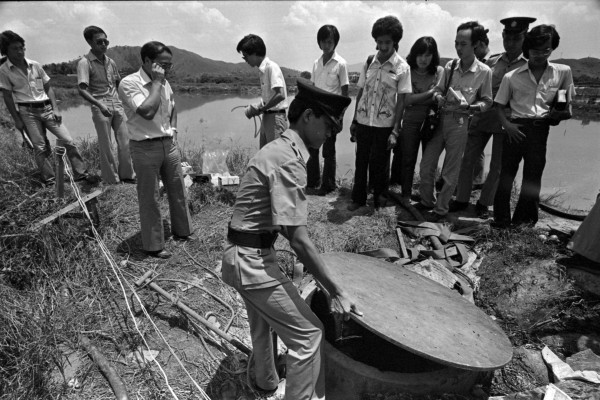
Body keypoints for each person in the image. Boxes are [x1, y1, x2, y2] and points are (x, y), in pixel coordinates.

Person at [223, 78, 361, 400]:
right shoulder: (290, 159)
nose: (329, 135)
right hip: (250, 261)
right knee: (310, 335)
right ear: (309, 116)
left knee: (262, 323)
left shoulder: (278, 149)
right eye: (328, 126)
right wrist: (336, 290)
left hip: (241, 254)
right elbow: (297, 239)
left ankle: (266, 382)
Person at [452, 17, 536, 218]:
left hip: (506, 122)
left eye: (516, 38)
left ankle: (484, 203)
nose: (510, 42)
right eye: (507, 37)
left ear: (525, 38)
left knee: (497, 166)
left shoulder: (529, 66)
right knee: (467, 160)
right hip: (481, 118)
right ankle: (461, 199)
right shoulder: (492, 62)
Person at [493, 24, 574, 228]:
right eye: (535, 50)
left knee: (533, 176)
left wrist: (561, 112)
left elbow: (566, 105)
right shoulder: (511, 77)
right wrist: (507, 126)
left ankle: (524, 222)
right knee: (506, 176)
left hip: (540, 129)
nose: (540, 55)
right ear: (527, 49)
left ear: (552, 48)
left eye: (545, 50)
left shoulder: (562, 72)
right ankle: (501, 220)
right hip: (515, 129)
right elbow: (499, 107)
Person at [118, 41, 194, 259]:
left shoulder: (164, 83)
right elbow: (147, 111)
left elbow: (173, 108)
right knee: (149, 197)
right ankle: (153, 245)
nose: (166, 70)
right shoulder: (130, 83)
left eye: (169, 65)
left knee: (178, 188)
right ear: (147, 61)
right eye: (162, 65)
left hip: (168, 144)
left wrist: (175, 131)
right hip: (144, 147)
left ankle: (183, 231)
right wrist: (158, 82)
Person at [418, 21, 493, 221]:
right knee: (426, 165)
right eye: (456, 43)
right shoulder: (450, 66)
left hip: (460, 122)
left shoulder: (484, 71)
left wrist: (471, 108)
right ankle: (427, 202)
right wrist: (438, 97)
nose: (458, 48)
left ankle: (441, 210)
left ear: (475, 45)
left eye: (463, 44)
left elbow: (487, 101)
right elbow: (438, 90)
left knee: (451, 171)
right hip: (441, 119)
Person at [0, 30, 90, 186]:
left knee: (68, 140)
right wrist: (17, 120)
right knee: (40, 147)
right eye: (15, 48)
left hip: (47, 108)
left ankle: (81, 174)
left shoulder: (35, 65)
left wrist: (55, 108)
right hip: (27, 112)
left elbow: (49, 88)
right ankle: (51, 180)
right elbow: (7, 96)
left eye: (22, 47)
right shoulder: (4, 71)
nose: (20, 51)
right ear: (5, 50)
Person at [348, 15, 411, 211]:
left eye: (387, 42)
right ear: (375, 41)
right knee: (361, 161)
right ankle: (358, 199)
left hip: (384, 125)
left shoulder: (402, 67)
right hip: (365, 121)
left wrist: (395, 130)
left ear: (395, 42)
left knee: (381, 164)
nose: (383, 46)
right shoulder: (369, 62)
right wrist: (354, 120)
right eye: (380, 42)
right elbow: (361, 92)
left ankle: (379, 201)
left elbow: (401, 101)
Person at [77, 25, 135, 185]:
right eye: (99, 42)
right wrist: (99, 105)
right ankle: (111, 179)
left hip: (117, 104)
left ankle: (127, 176)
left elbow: (118, 83)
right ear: (90, 42)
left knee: (125, 140)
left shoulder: (111, 62)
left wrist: (125, 102)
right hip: (100, 105)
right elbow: (82, 89)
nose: (104, 44)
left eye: (105, 41)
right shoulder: (84, 62)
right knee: (106, 145)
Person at [388, 36, 443, 201]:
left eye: (427, 55)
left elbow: (435, 97)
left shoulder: (439, 71)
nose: (423, 59)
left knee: (429, 160)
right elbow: (407, 100)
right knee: (408, 158)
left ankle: (427, 197)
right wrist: (430, 93)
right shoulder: (408, 71)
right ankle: (406, 195)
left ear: (433, 56)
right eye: (420, 55)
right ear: (414, 55)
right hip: (411, 121)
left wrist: (420, 97)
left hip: (432, 122)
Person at [306, 25, 349, 195]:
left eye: (329, 41)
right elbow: (313, 89)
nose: (326, 45)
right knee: (312, 148)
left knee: (328, 151)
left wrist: (341, 116)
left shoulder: (341, 64)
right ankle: (312, 182)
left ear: (335, 42)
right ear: (319, 42)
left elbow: (345, 93)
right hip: (316, 112)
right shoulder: (316, 64)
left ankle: (328, 185)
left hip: (331, 115)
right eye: (323, 41)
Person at [237, 34, 289, 149]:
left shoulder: (271, 67)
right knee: (264, 156)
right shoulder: (262, 70)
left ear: (255, 53)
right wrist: (258, 107)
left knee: (275, 158)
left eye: (245, 56)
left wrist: (261, 109)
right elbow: (269, 97)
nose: (245, 60)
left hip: (276, 118)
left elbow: (280, 95)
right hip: (267, 117)